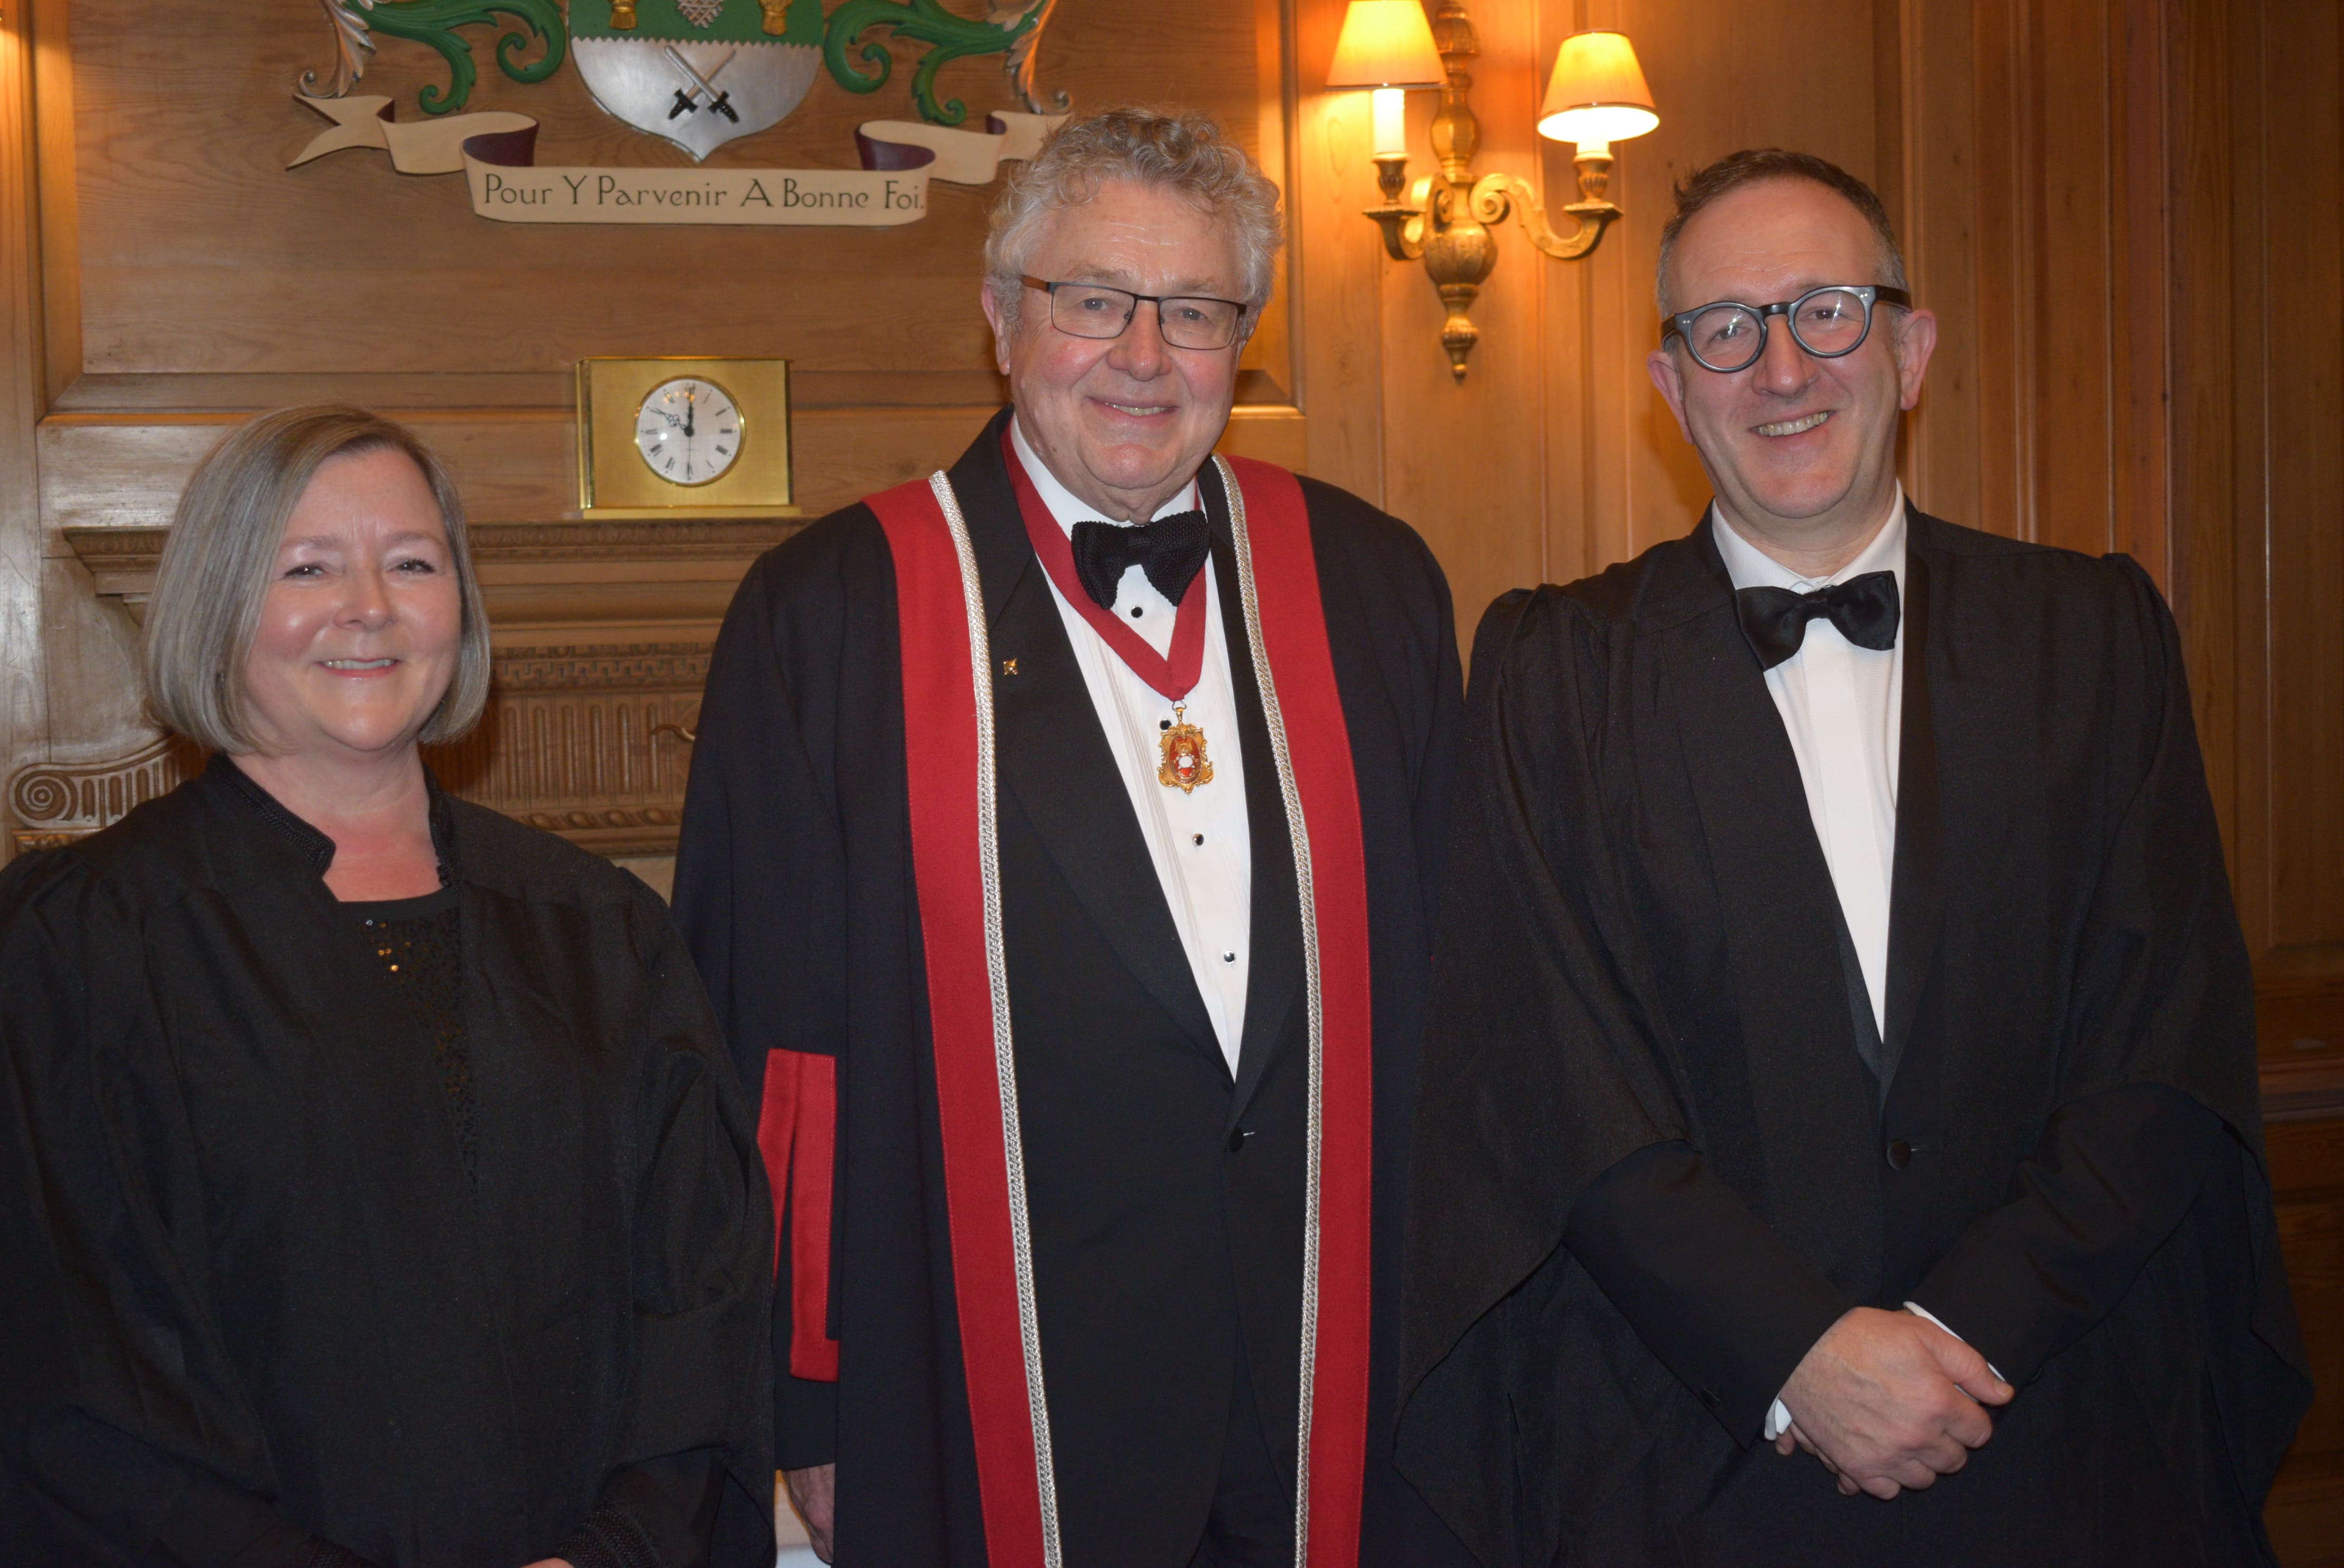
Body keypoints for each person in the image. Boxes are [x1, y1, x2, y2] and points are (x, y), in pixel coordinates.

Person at [1394, 151, 2313, 1566]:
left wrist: (1956, 1341)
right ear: (1672, 384)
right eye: (1726, 328)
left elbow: (2166, 1046)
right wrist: (1796, 1357)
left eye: (1825, 310)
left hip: (2056, 1441)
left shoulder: (2099, 637)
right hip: (1689, 1462)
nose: (1780, 368)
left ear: (1911, 347)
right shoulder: (1549, 669)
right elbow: (1548, 1076)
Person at [673, 109, 1472, 1566]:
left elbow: (1460, 1006)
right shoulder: (834, 614)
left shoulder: (1373, 587)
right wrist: (810, 1406)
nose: (1144, 356)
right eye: (1094, 301)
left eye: (1195, 311)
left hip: (1336, 1370)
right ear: (1000, 318)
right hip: (978, 1382)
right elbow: (769, 1056)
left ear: (1247, 335)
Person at [0, 406, 775, 1568]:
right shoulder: (82, 946)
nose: (369, 606)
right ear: (217, 606)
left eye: (411, 563)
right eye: (308, 567)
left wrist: (623, 1549)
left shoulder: (597, 929)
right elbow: (69, 1362)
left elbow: (701, 1289)